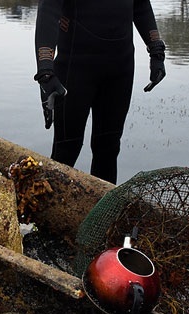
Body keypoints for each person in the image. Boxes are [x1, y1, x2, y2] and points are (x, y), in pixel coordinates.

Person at [33, 0, 166, 184]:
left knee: (108, 149)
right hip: (75, 67)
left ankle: (103, 211)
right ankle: (48, 209)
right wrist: (45, 72)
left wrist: (156, 51)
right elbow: (48, 9)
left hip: (120, 68)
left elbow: (141, 6)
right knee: (66, 150)